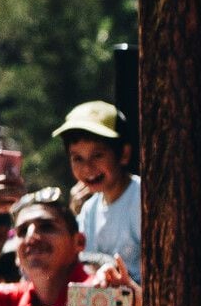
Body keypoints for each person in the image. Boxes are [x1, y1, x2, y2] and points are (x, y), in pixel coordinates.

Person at [55, 100, 142, 278]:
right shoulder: (88, 209)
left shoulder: (140, 198)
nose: (87, 168)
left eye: (98, 155)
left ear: (123, 154)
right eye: (78, 158)